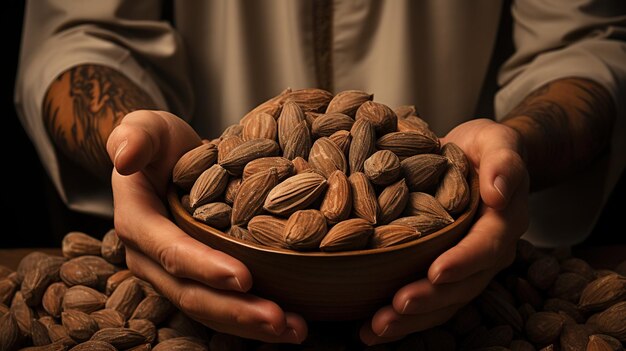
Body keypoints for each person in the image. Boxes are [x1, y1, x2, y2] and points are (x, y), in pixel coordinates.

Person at [14, 0, 626, 346]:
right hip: (203, 262)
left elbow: (583, 43)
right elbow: (80, 32)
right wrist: (133, 141)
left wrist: (511, 149)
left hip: (453, 265)